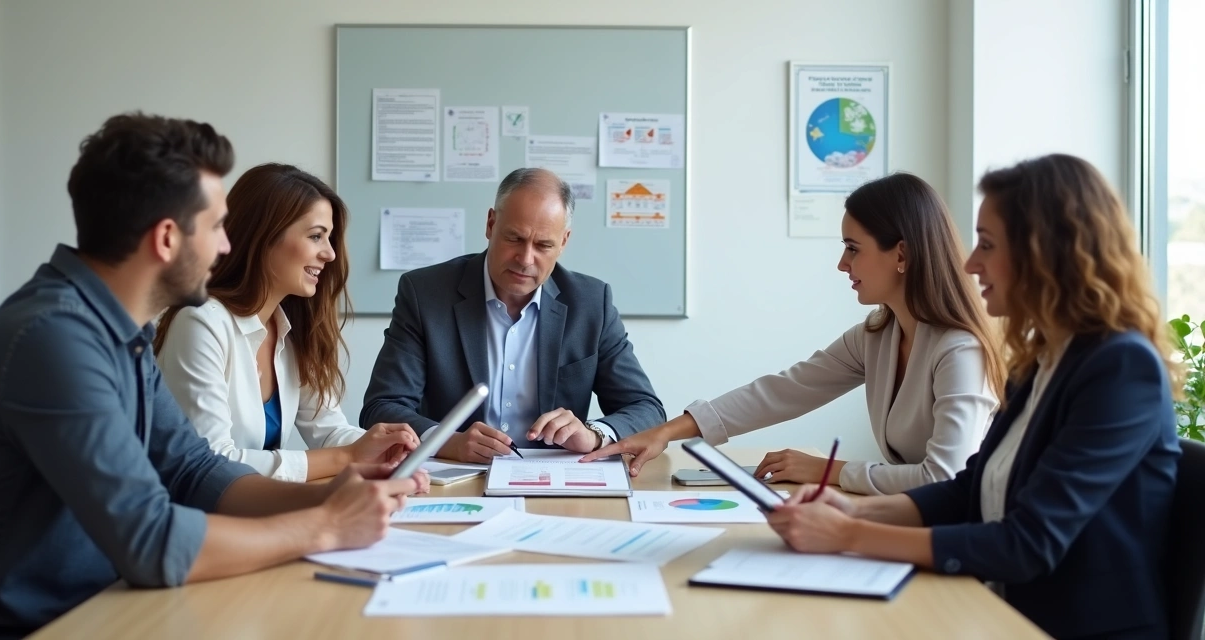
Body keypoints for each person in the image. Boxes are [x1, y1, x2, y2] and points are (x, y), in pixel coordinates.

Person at [0, 114, 426, 639]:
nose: (226, 246)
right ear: (168, 238)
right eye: (217, 226)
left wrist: (339, 494)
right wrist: (327, 525)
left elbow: (195, 472)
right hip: (53, 624)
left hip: (115, 605)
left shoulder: (117, 334)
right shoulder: (53, 338)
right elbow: (150, 539)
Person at [766, 154, 1180, 639]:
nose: (969, 262)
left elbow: (1027, 542)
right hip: (1000, 611)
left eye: (986, 244)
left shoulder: (1120, 369)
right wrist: (854, 511)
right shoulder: (1046, 358)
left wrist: (851, 535)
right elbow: (969, 491)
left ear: (1045, 253)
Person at [584, 173, 1004, 495]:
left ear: (902, 254)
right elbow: (783, 391)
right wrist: (665, 432)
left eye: (853, 248)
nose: (842, 264)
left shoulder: (959, 350)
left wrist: (829, 471)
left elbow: (945, 478)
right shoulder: (876, 336)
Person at [361, 168, 666, 463]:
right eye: (515, 239)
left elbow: (646, 408)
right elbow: (382, 406)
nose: (525, 259)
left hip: (553, 477)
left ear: (563, 242)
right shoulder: (425, 293)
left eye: (543, 245)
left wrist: (593, 433)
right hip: (457, 473)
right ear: (491, 224)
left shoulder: (590, 303)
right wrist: (448, 440)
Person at [154, 163, 419, 482]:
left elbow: (329, 431)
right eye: (316, 236)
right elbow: (211, 462)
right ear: (263, 235)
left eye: (329, 238)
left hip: (252, 511)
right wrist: (346, 457)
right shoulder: (200, 323)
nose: (330, 254)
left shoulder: (289, 329)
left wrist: (381, 447)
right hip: (199, 519)